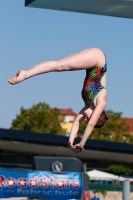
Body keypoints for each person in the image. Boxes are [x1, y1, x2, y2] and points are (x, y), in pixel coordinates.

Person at [8, 48, 108, 153]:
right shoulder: (100, 101)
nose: (87, 120)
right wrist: (82, 143)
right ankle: (26, 74)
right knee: (60, 66)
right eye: (90, 119)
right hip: (98, 60)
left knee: (60, 65)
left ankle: (26, 73)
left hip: (93, 62)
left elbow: (76, 124)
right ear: (97, 114)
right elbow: (91, 125)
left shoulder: (88, 104)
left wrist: (71, 144)